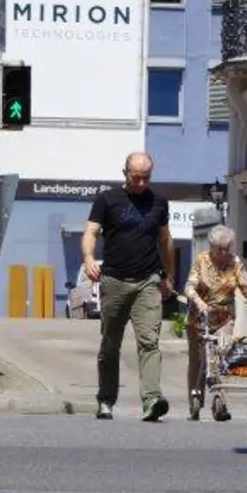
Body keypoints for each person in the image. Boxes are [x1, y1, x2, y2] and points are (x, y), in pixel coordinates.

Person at [81, 151, 174, 421]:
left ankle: (152, 400)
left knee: (149, 342)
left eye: (147, 178)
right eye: (137, 178)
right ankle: (106, 400)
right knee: (110, 343)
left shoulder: (159, 202)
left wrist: (167, 275)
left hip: (147, 281)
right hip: (114, 280)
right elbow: (90, 232)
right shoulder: (107, 200)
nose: (142, 184)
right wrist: (88, 257)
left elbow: (165, 240)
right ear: (125, 174)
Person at [183, 225, 247, 417]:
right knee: (198, 361)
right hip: (198, 319)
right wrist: (199, 302)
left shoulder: (235, 262)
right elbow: (189, 287)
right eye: (220, 248)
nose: (224, 252)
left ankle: (220, 403)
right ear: (212, 247)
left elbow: (246, 286)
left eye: (227, 248)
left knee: (220, 356)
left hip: (223, 318)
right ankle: (195, 401)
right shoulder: (201, 260)